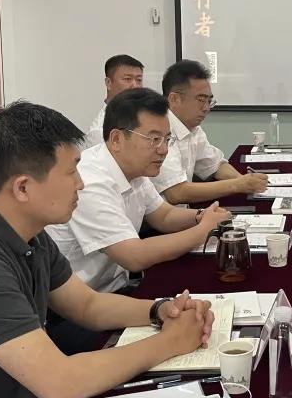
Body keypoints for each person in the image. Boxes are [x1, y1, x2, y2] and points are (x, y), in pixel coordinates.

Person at [0, 101, 215, 398]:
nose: (81, 183)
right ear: (23, 188)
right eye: (71, 172)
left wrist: (160, 310)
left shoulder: (28, 232)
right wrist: (171, 342)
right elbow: (59, 384)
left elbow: (88, 305)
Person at [49, 88, 232, 294]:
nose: (163, 150)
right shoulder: (90, 182)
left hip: (116, 285)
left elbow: (164, 215)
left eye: (167, 139)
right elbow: (134, 256)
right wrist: (203, 230)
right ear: (117, 139)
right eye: (154, 139)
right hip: (87, 299)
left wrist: (201, 216)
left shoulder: (134, 166)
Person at [153, 59, 268, 204]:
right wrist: (238, 184)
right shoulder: (159, 132)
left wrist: (244, 180)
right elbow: (176, 193)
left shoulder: (193, 128)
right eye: (201, 100)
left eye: (209, 101)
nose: (206, 108)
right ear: (174, 99)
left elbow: (215, 165)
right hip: (162, 217)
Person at [85, 54, 145, 148]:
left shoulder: (145, 119)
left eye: (139, 80)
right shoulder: (100, 132)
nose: (135, 85)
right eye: (127, 79)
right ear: (108, 83)